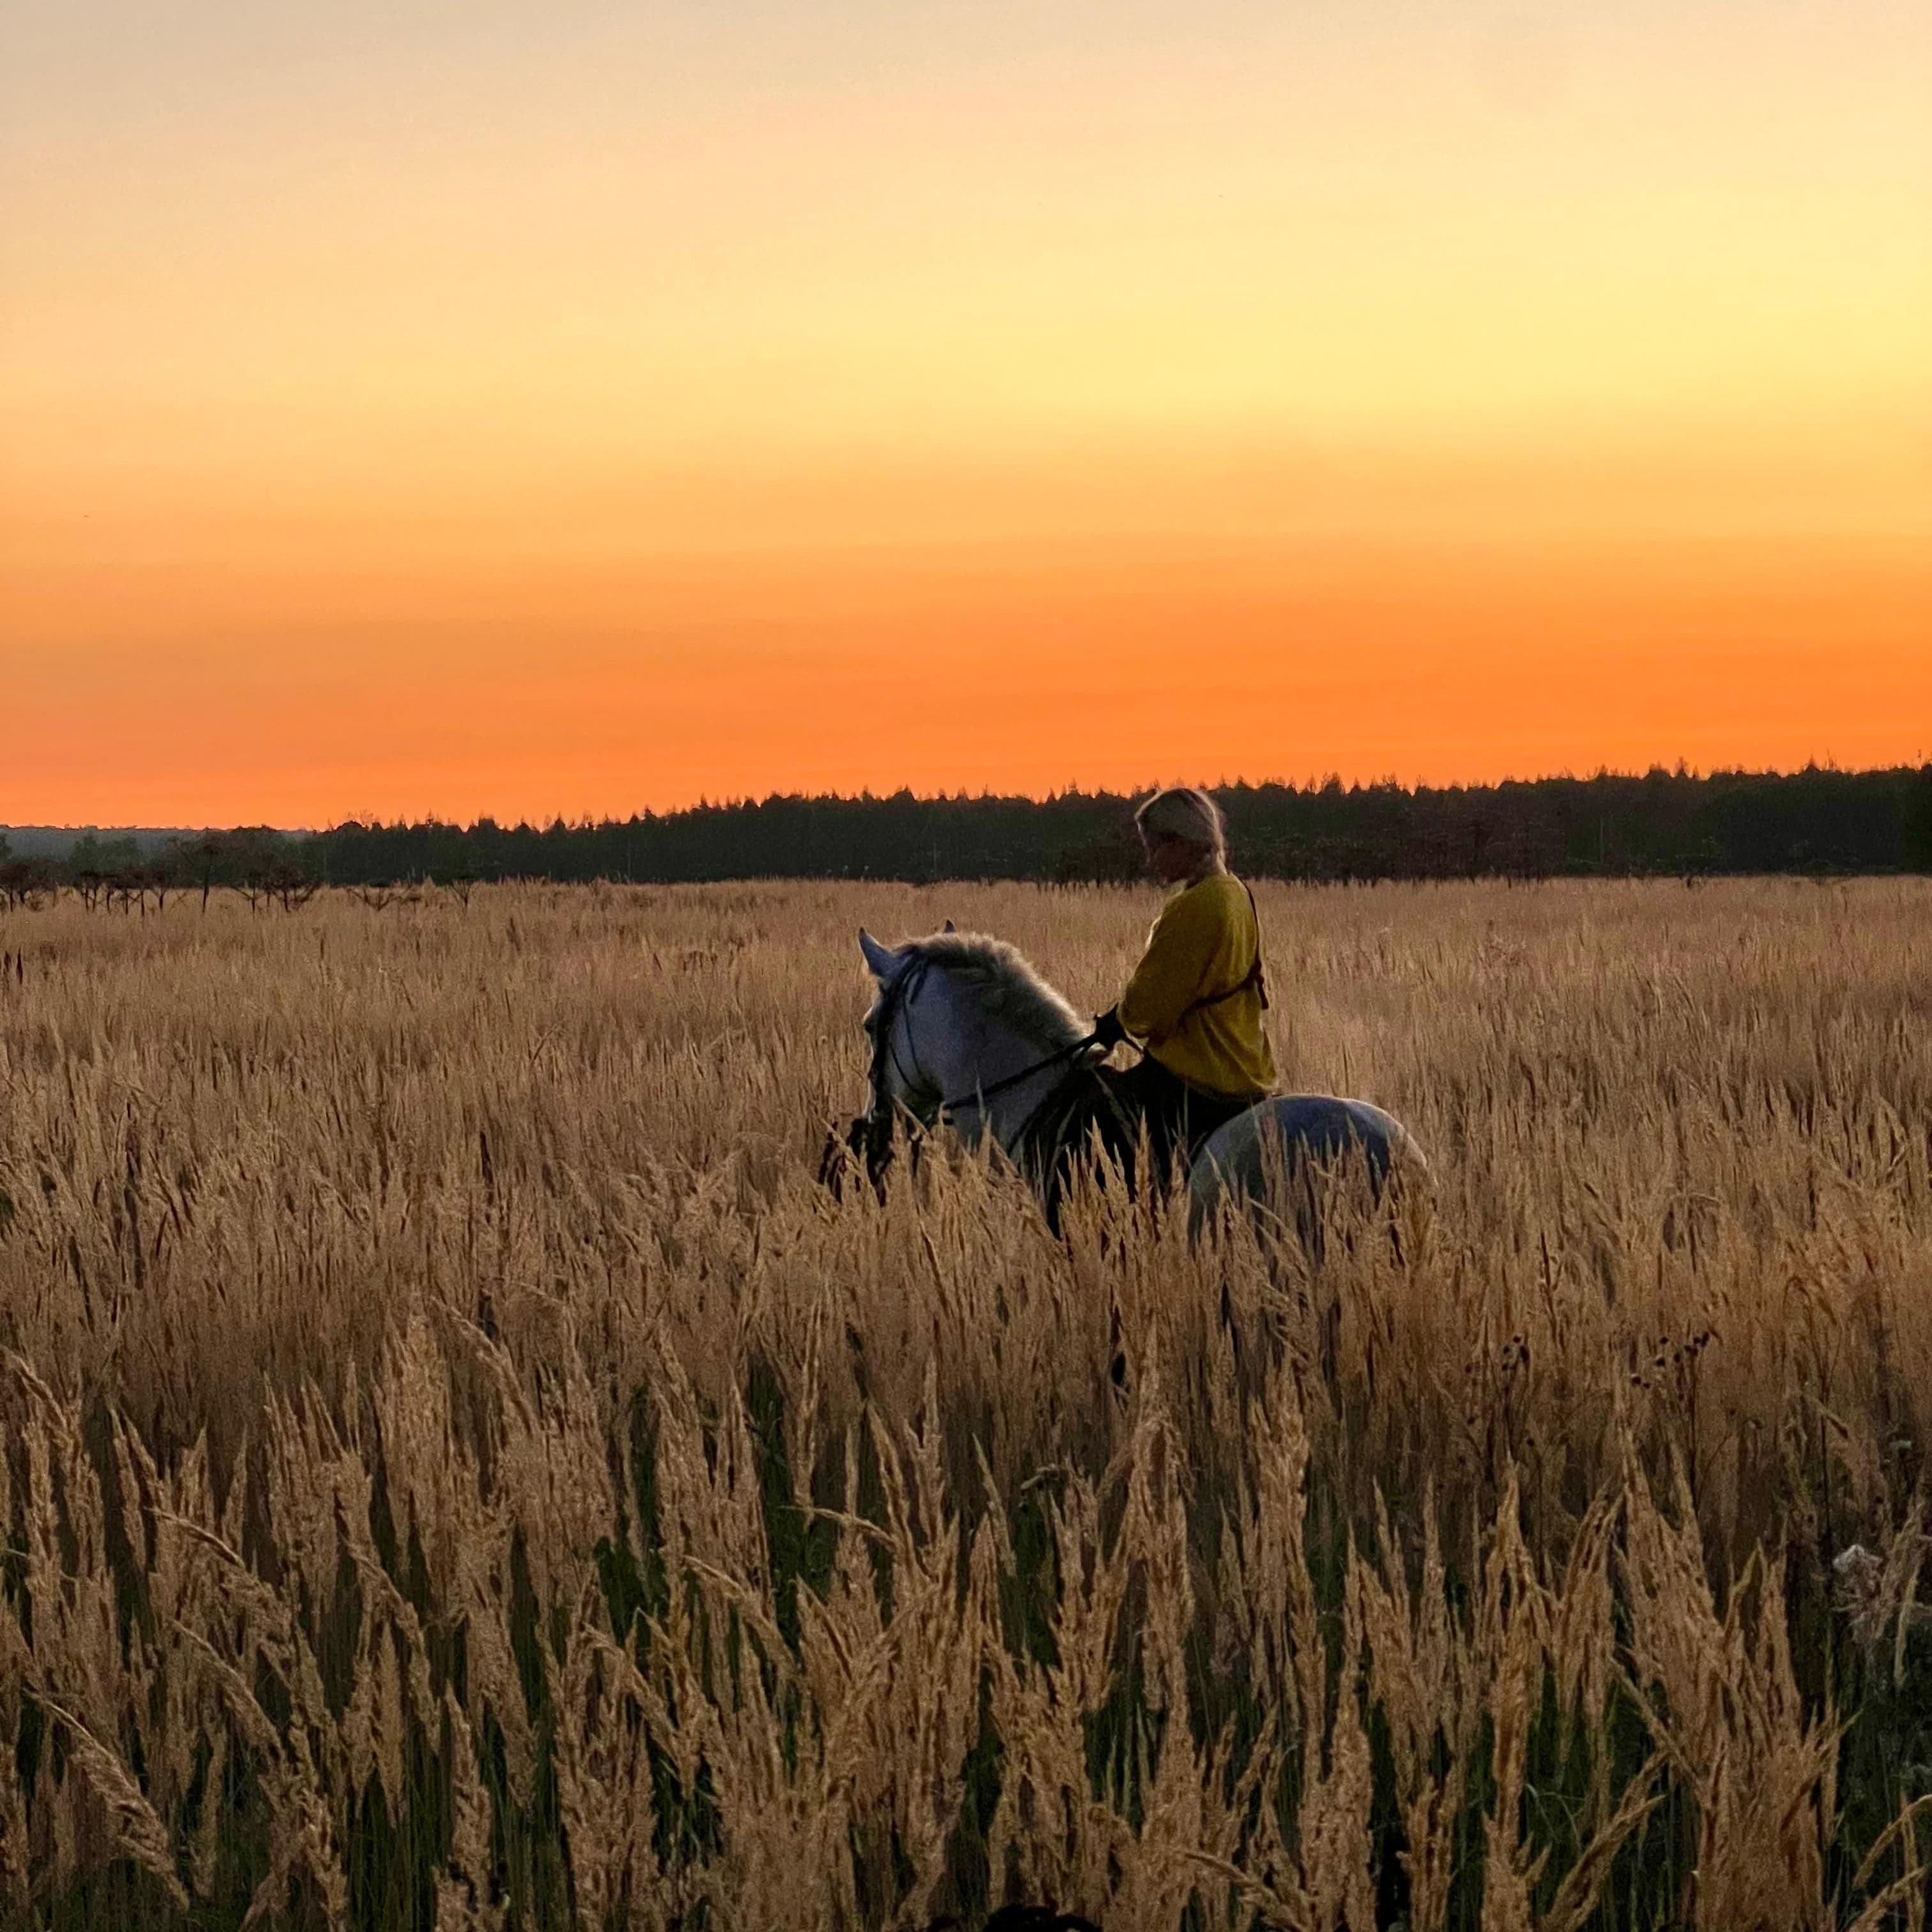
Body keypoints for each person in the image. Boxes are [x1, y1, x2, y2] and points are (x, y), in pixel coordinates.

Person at [1092, 787, 1276, 1183]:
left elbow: (1147, 1014)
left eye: (1155, 847)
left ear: (1183, 841)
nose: (1150, 860)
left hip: (1198, 1076)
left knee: (1097, 1119)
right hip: (1246, 1068)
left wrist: (1116, 1022)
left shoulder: (1193, 906)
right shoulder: (1236, 892)